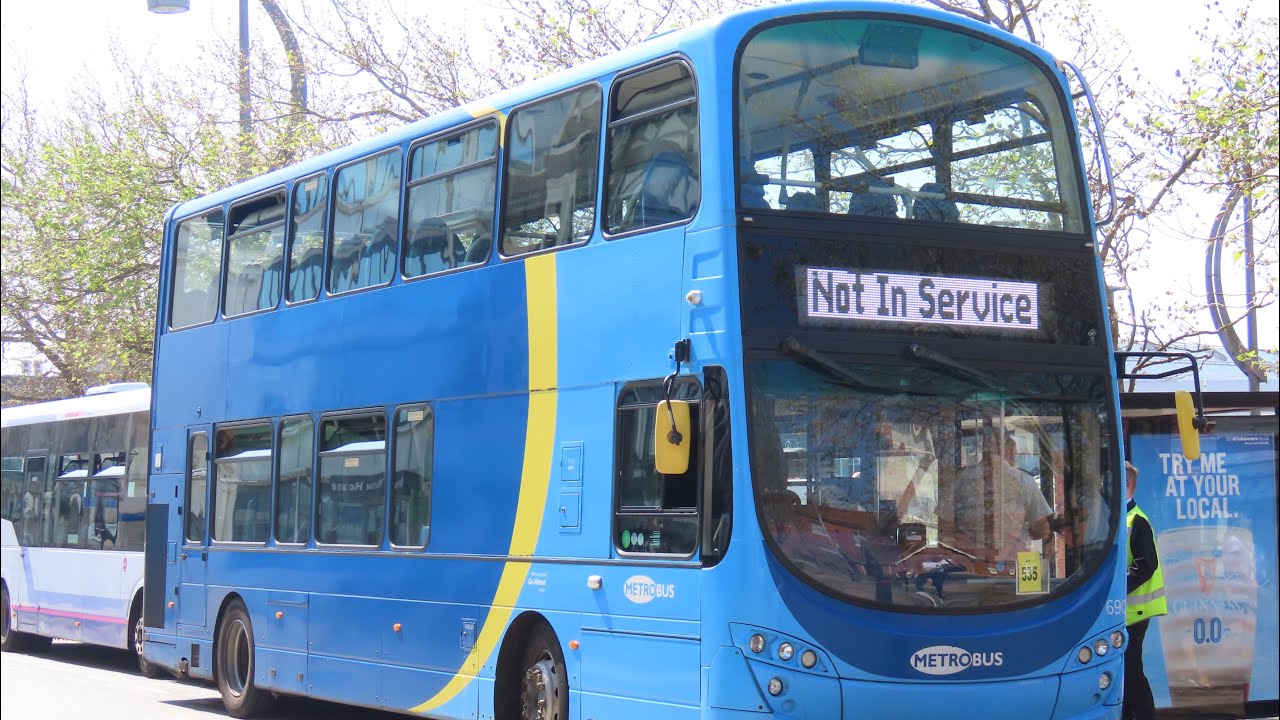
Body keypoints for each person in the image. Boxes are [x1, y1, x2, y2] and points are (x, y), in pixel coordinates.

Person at [1123, 461, 1167, 720]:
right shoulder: (1123, 518)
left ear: (1126, 484)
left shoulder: (1136, 520)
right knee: (1126, 672)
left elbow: (1147, 565)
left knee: (1132, 671)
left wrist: (1118, 587)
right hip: (1127, 611)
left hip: (1136, 611)